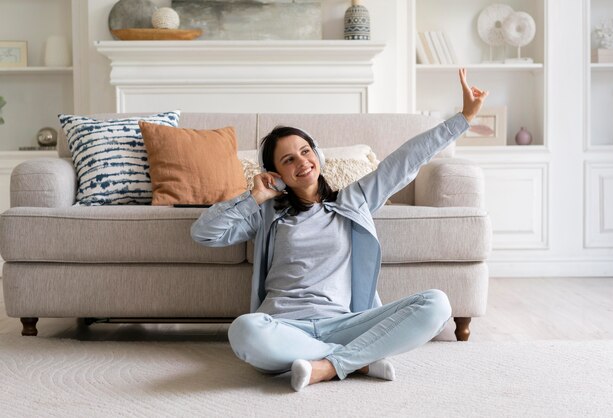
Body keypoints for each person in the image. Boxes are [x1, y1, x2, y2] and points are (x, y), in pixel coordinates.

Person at [191, 69, 488, 392]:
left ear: (317, 155)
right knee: (244, 331)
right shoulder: (267, 213)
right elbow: (205, 233)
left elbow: (406, 161)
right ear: (276, 173)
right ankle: (357, 360)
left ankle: (328, 365)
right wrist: (254, 197)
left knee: (437, 304)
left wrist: (463, 118)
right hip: (284, 325)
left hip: (348, 324)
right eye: (288, 160)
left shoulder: (355, 199)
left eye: (305, 151)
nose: (301, 162)